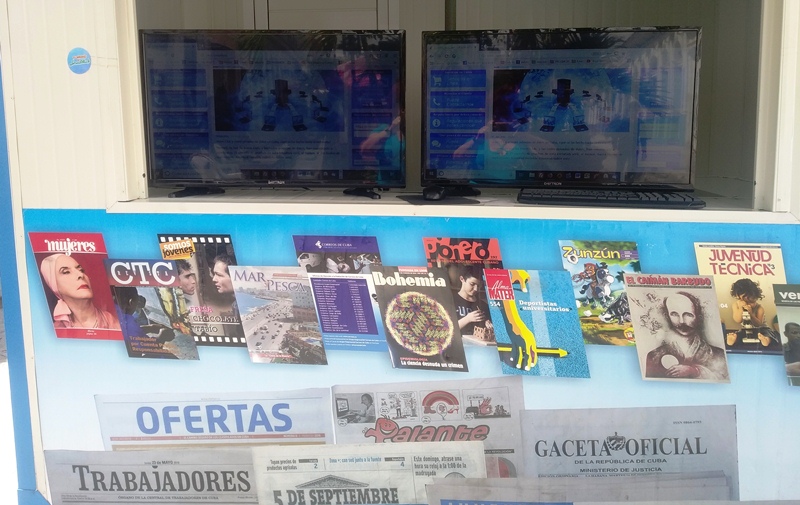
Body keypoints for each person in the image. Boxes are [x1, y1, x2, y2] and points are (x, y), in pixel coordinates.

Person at [645, 291, 728, 380]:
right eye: (674, 314)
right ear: (668, 316)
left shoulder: (717, 354)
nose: (681, 321)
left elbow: (722, 379)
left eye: (688, 315)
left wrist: (695, 371)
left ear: (698, 316)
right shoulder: (654, 356)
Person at [39, 253, 120, 330]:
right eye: (66, 272)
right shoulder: (55, 331)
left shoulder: (115, 323)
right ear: (54, 285)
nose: (80, 275)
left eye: (81, 270)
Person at [728, 278, 771, 347]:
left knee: (768, 334)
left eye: (751, 302)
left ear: (756, 298)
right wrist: (741, 308)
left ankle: (766, 340)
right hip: (746, 329)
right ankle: (733, 340)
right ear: (737, 298)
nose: (748, 305)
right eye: (744, 301)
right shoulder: (736, 305)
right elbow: (738, 320)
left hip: (761, 329)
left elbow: (758, 324)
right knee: (738, 334)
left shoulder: (759, 308)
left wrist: (751, 314)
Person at [453, 267, 493, 339]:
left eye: (479, 285)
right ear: (462, 279)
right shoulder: (451, 301)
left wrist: (489, 326)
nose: (476, 289)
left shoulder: (483, 305)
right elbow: (445, 330)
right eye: (472, 284)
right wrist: (467, 319)